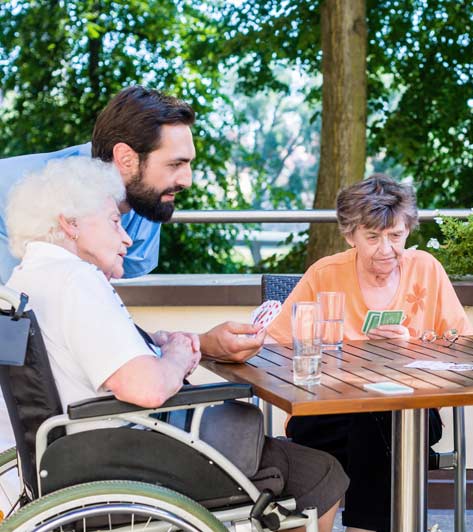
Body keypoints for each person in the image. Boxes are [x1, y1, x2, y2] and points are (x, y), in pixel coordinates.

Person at [3, 157, 349, 532]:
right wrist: (176, 355)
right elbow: (147, 387)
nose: (127, 237)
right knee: (320, 473)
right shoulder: (77, 281)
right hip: (124, 455)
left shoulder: (28, 280)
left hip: (69, 455)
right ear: (70, 223)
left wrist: (152, 342)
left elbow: (79, 354)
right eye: (114, 222)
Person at [265, 174, 473, 532]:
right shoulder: (326, 274)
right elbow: (275, 345)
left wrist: (412, 345)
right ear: (350, 236)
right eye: (373, 237)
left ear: (408, 230)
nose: (386, 249)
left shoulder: (426, 269)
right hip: (328, 409)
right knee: (365, 421)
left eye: (396, 236)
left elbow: (463, 347)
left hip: (412, 414)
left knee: (376, 418)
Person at [0, 86, 265, 362]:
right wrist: (187, 352)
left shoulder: (141, 198)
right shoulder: (39, 212)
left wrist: (198, 343)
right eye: (175, 164)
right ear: (126, 158)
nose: (187, 180)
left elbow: (101, 329)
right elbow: (34, 344)